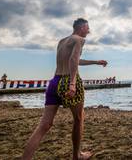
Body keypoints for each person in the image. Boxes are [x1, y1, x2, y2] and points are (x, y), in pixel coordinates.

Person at [22, 18, 108, 160]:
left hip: (55, 81)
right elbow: (73, 61)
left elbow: (74, 60)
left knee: (44, 125)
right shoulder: (80, 39)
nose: (89, 31)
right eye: (88, 28)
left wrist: (96, 62)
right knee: (79, 119)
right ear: (81, 28)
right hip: (68, 80)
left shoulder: (62, 41)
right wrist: (73, 83)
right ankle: (77, 155)